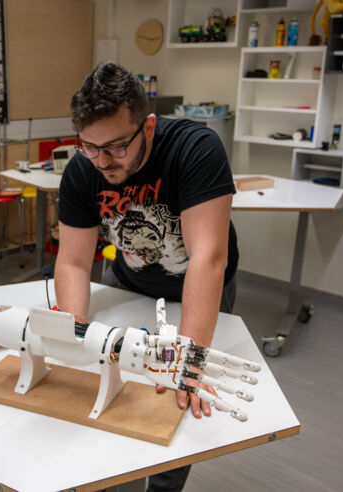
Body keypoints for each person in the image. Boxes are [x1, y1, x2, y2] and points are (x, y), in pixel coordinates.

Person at [55, 62, 238, 492]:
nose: (102, 161)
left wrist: (189, 360)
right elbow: (74, 263)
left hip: (197, 289)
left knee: (178, 402)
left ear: (149, 127)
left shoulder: (196, 148)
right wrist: (73, 333)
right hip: (130, 285)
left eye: (117, 147)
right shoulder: (84, 169)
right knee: (115, 385)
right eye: (90, 147)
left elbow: (207, 259)